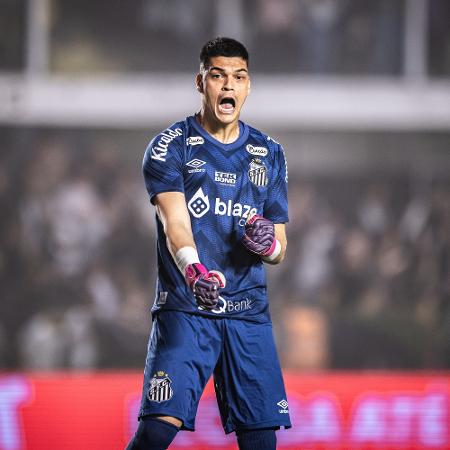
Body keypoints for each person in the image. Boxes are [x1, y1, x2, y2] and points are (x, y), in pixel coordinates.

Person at [126, 37, 291, 450]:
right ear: (201, 82)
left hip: (247, 315)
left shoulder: (269, 153)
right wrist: (193, 269)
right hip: (188, 307)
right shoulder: (171, 146)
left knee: (260, 440)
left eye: (239, 77)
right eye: (218, 76)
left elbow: (280, 248)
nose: (228, 86)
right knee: (156, 431)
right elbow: (174, 221)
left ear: (248, 86)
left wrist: (266, 243)